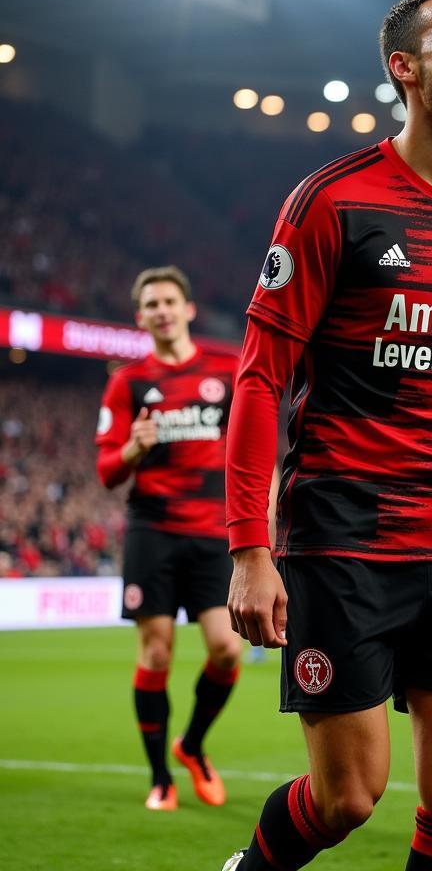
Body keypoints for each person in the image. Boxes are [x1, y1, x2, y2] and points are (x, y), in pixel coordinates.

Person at [220, 0, 432, 871]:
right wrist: (252, 550)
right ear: (406, 68)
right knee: (348, 798)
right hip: (345, 533)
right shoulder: (332, 201)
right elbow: (260, 380)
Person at [95, 266, 241, 812]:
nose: (161, 310)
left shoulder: (224, 371)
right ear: (140, 317)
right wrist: (133, 448)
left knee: (226, 649)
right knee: (156, 652)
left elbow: (249, 443)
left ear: (188, 308)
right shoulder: (127, 383)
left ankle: (193, 746)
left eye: (168, 301)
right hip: (152, 530)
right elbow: (107, 471)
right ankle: (161, 778)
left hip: (211, 531)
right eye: (150, 304)